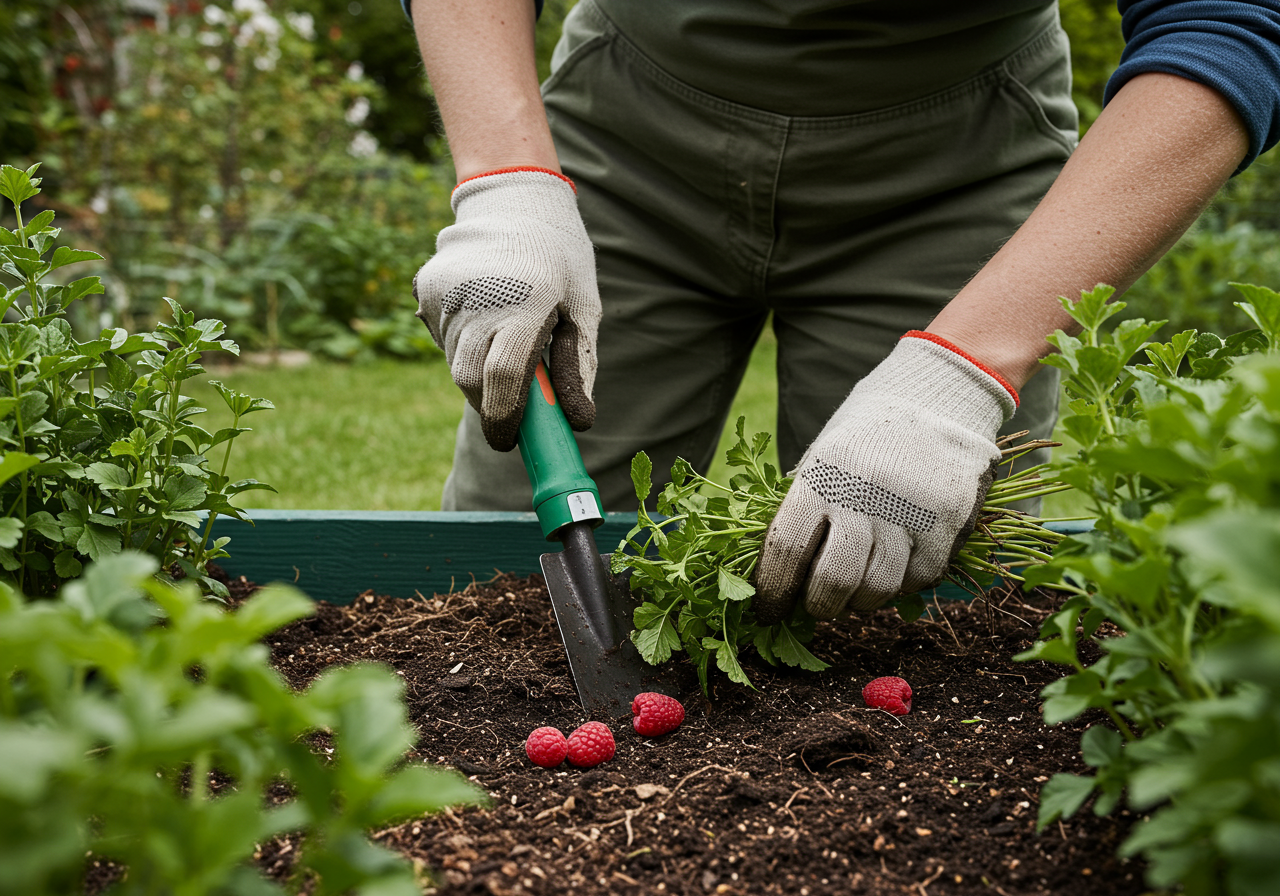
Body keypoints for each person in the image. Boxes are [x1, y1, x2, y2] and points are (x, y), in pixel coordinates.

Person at [405, 0, 1280, 622]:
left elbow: (1225, 18)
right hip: (631, 120)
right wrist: (507, 183)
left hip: (955, 157)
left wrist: (960, 374)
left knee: (912, 597)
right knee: (501, 589)